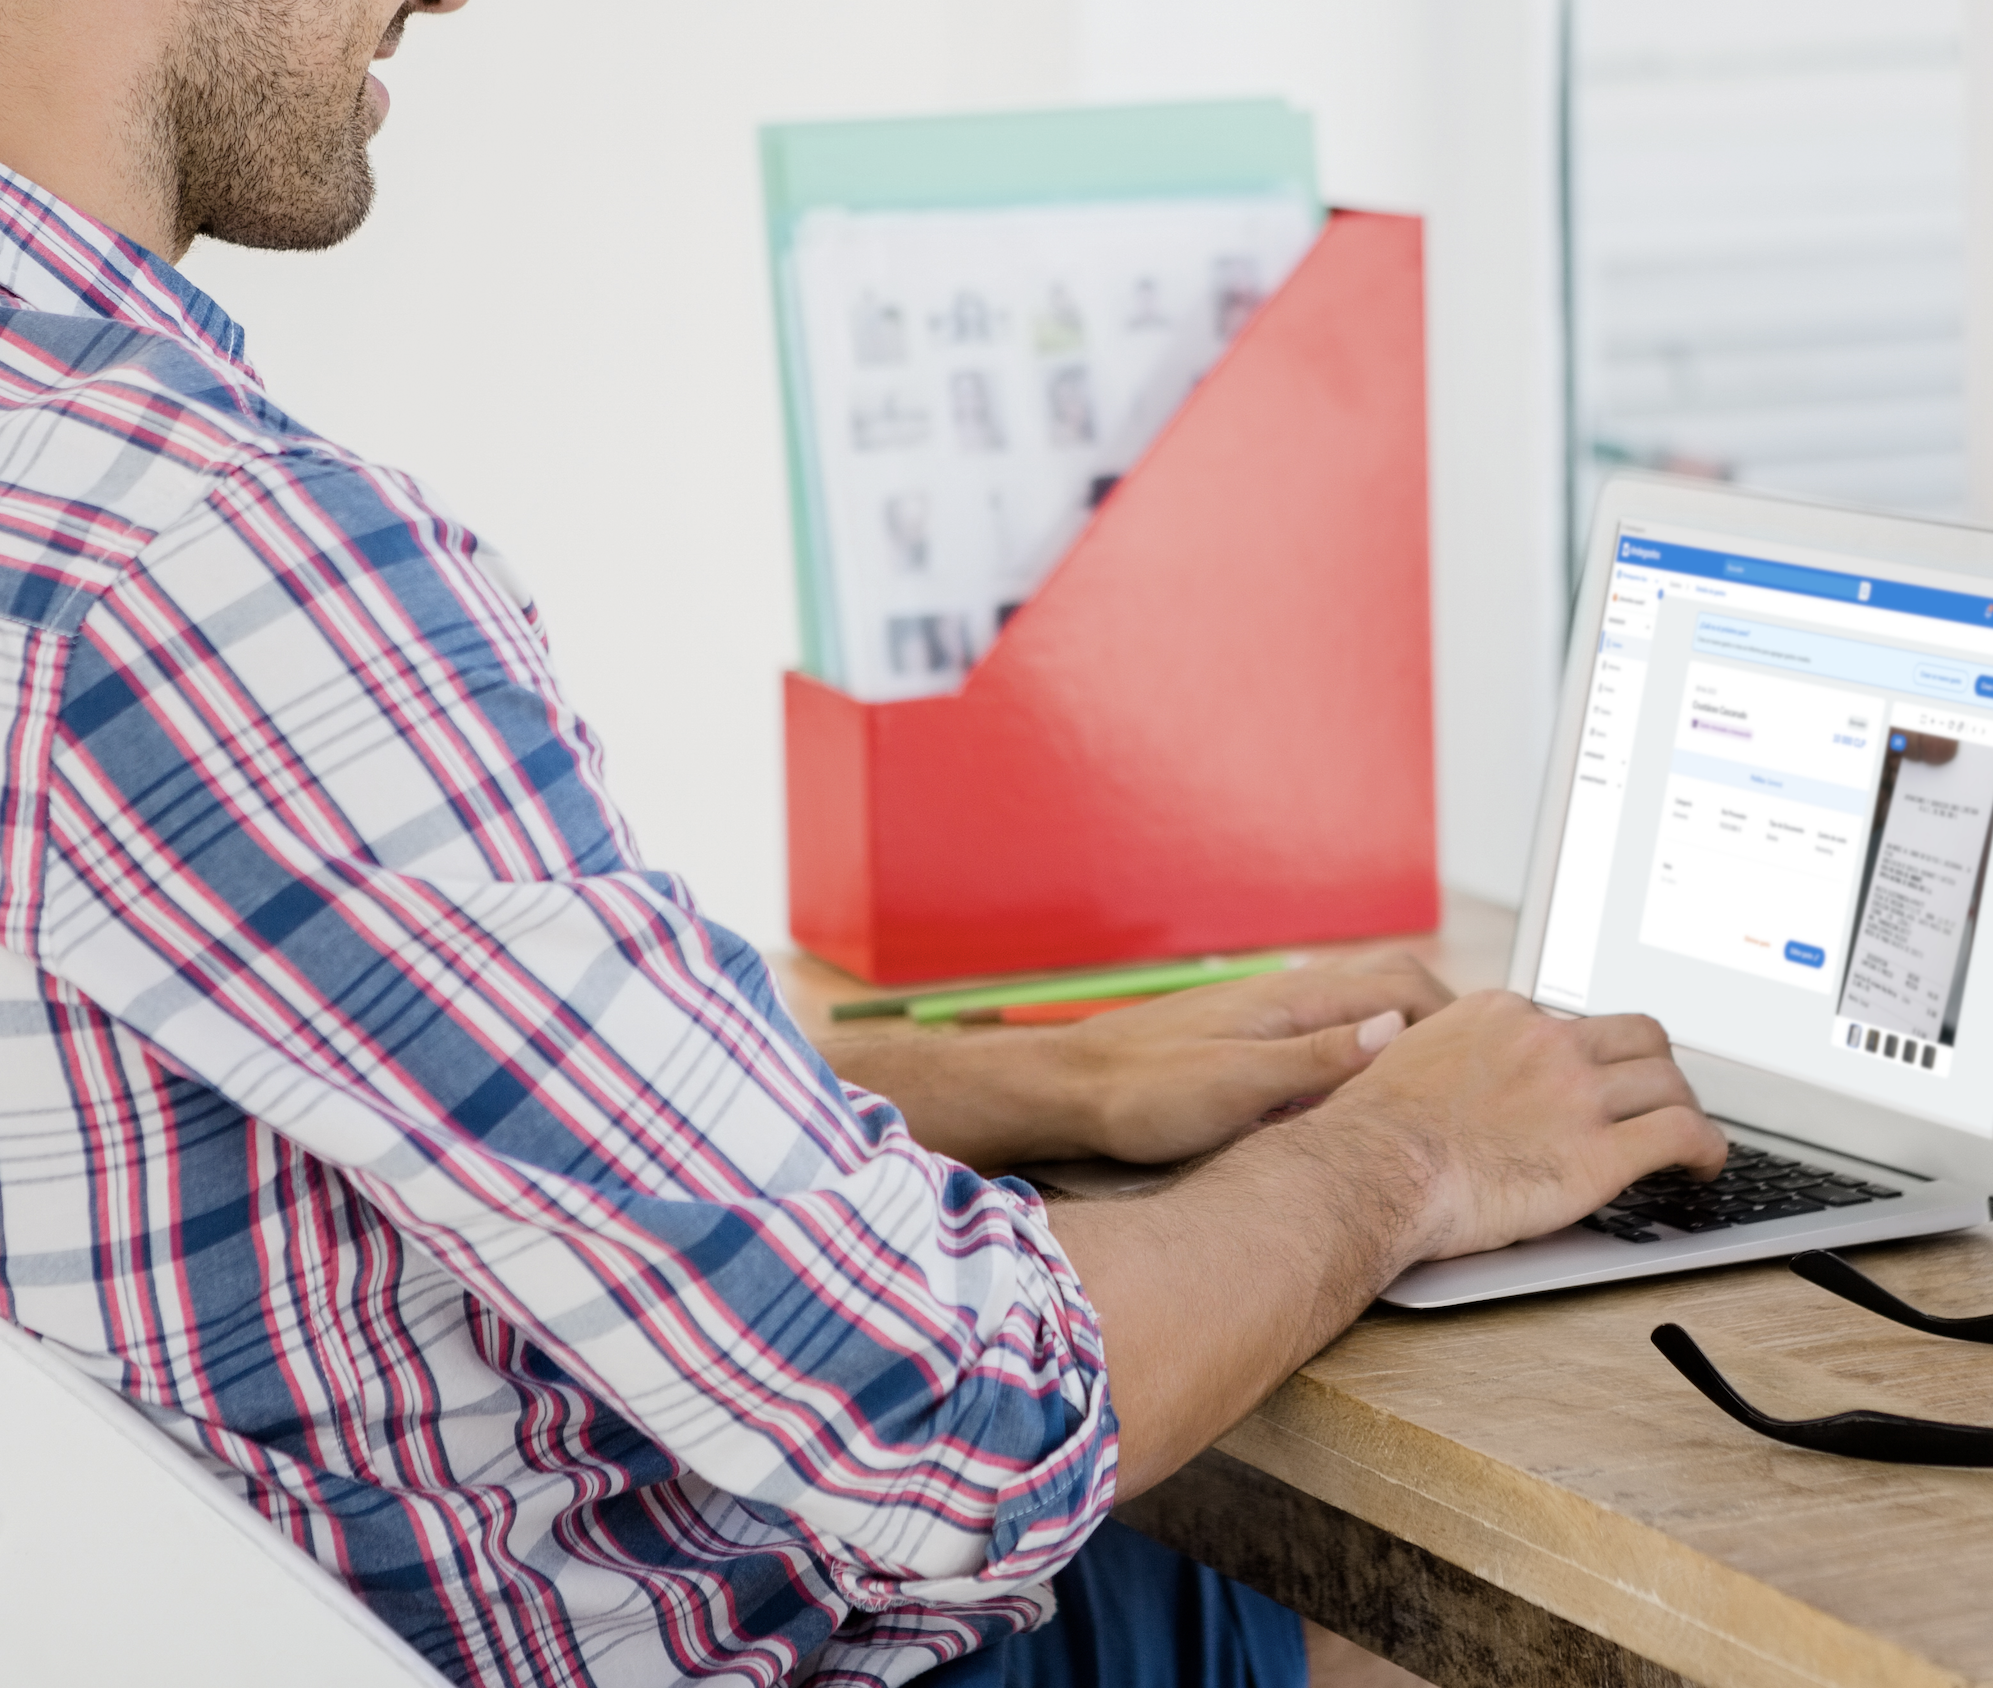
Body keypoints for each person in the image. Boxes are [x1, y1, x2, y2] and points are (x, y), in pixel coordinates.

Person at [0, 3, 1723, 1686]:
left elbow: (364, 1061)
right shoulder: (204, 559)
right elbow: (945, 1420)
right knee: (1594, 1622)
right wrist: (1411, 1154)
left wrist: (1042, 1079)